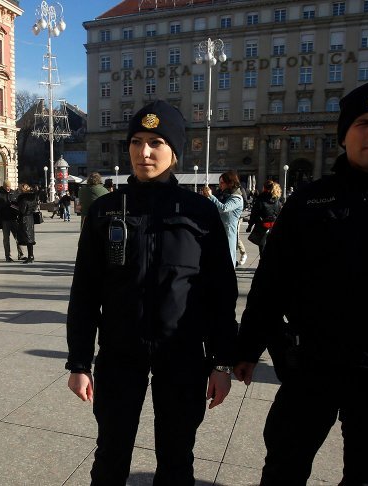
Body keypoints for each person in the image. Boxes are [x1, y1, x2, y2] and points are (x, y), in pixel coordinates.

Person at [235, 78, 368, 485]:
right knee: (284, 464)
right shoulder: (309, 200)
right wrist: (247, 347)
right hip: (312, 363)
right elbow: (272, 280)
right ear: (344, 135)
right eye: (364, 122)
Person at [66, 100, 238, 483]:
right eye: (137, 142)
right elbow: (85, 290)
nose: (144, 152)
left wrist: (222, 363)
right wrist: (79, 361)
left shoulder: (200, 211)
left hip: (183, 355)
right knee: (111, 452)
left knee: (177, 456)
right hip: (119, 352)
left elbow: (221, 293)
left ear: (174, 151)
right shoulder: (106, 210)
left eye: (156, 142)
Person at [201, 171, 244, 267]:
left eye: (222, 183)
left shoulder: (237, 198)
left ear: (230, 183)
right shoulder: (226, 196)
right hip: (220, 230)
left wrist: (211, 196)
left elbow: (223, 208)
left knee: (228, 256)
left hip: (229, 232)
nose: (220, 185)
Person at [246, 180, 282, 253]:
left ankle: (263, 261)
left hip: (262, 226)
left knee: (262, 246)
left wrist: (250, 226)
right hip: (273, 226)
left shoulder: (260, 199)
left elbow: (254, 213)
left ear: (264, 188)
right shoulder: (277, 200)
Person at [0, 180, 24, 262]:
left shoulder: (14, 193)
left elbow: (18, 204)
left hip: (14, 218)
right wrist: (5, 205)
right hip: (5, 219)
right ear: (3, 186)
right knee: (6, 239)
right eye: (6, 187)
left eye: (9, 186)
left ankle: (21, 254)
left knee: (18, 237)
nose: (8, 188)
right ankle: (8, 256)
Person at [16, 183, 38, 263]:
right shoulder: (33, 197)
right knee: (30, 238)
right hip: (30, 218)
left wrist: (16, 207)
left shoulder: (23, 198)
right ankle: (31, 255)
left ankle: (30, 257)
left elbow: (22, 210)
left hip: (24, 219)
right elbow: (34, 207)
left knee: (27, 238)